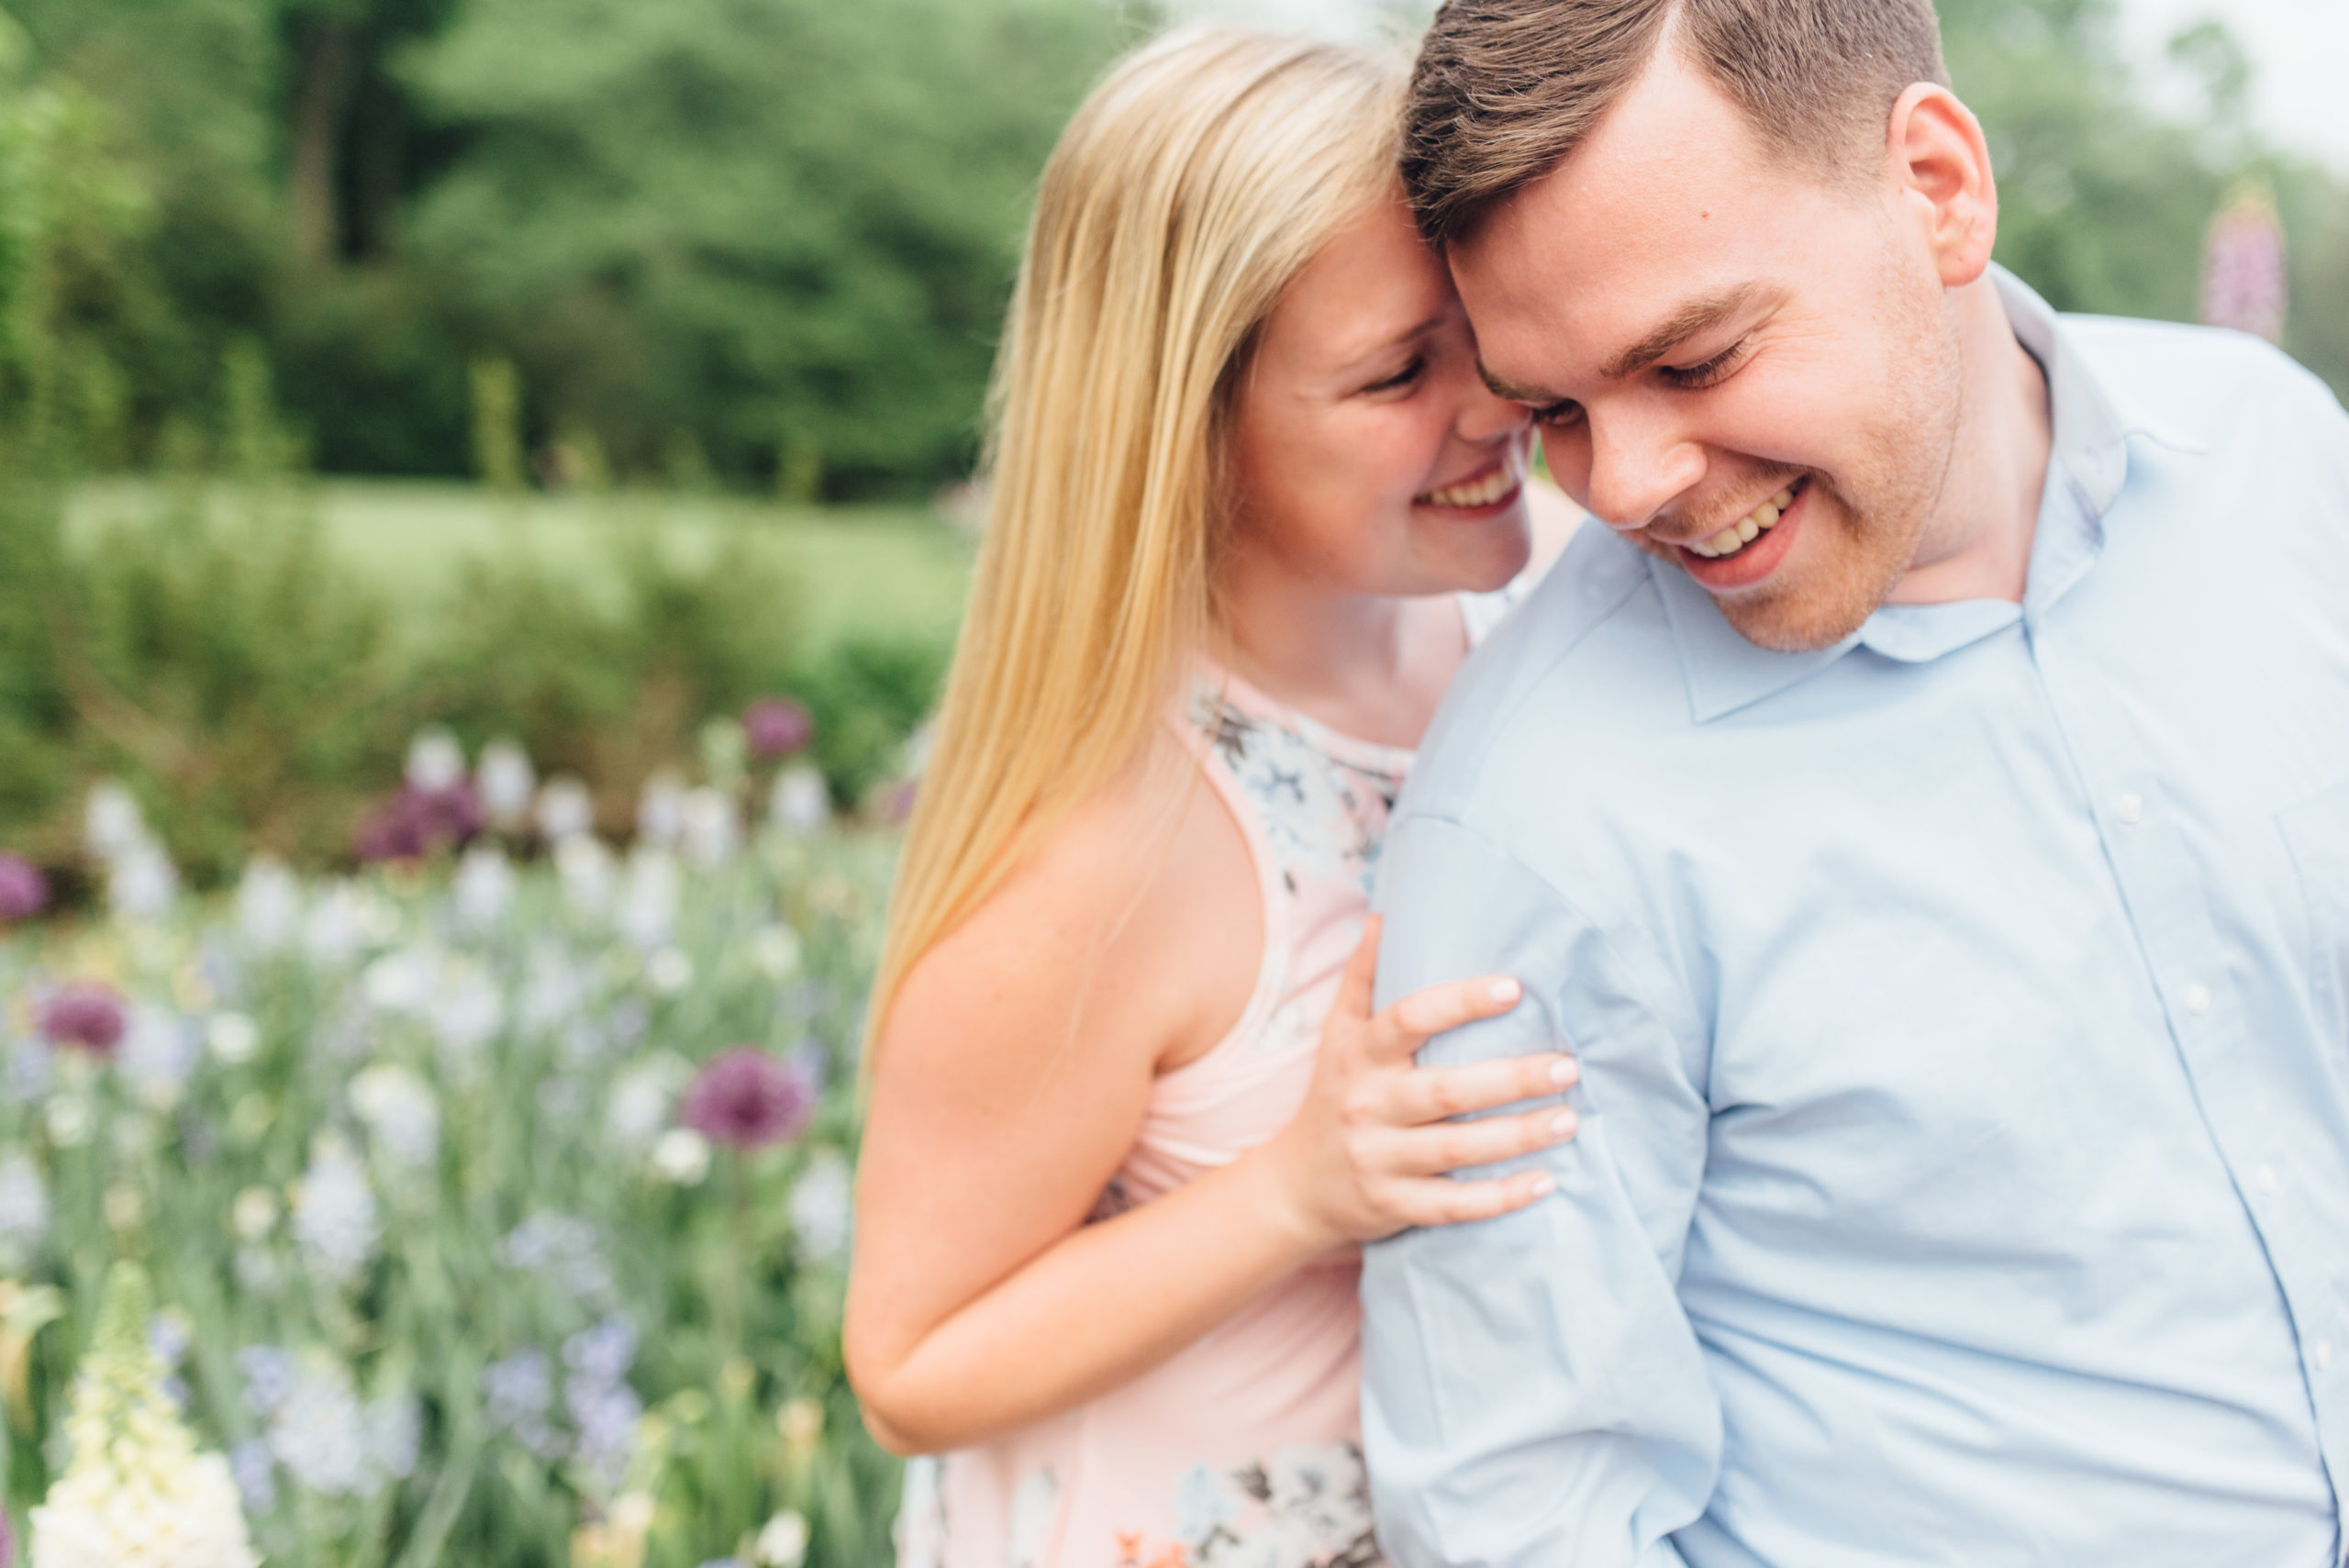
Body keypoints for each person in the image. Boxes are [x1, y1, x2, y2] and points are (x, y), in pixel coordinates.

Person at [1361, 1, 2349, 1564]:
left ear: (1939, 186)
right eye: (1555, 408)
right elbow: (1514, 1509)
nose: (1624, 487)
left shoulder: (2281, 460)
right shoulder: (1540, 813)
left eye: (1691, 358)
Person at [844, 28, 1583, 1568]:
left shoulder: (1539, 623)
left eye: (1482, 328)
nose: (1497, 401)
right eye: (1398, 370)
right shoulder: (1109, 836)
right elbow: (911, 1366)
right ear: (1194, 428)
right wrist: (1299, 1188)